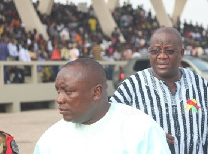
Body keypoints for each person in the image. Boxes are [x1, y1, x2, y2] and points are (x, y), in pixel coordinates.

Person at [110, 27, 208, 153]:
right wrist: (146, 137)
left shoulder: (202, 87)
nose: (162, 56)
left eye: (169, 51)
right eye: (155, 51)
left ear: (181, 53)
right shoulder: (131, 88)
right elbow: (109, 129)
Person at [34, 58, 170, 154]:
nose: (59, 99)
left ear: (96, 92)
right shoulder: (51, 139)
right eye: (58, 91)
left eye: (68, 92)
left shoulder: (141, 129)